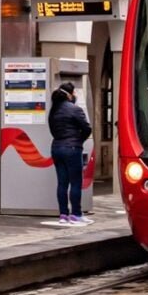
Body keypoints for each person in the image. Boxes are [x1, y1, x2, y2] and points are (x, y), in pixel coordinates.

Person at [48, 82, 93, 226]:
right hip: (72, 148)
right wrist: (79, 140)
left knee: (62, 183)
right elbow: (87, 128)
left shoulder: (53, 110)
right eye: (74, 93)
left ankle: (63, 215)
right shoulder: (75, 109)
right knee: (75, 182)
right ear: (70, 94)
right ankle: (76, 215)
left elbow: (52, 130)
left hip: (56, 147)